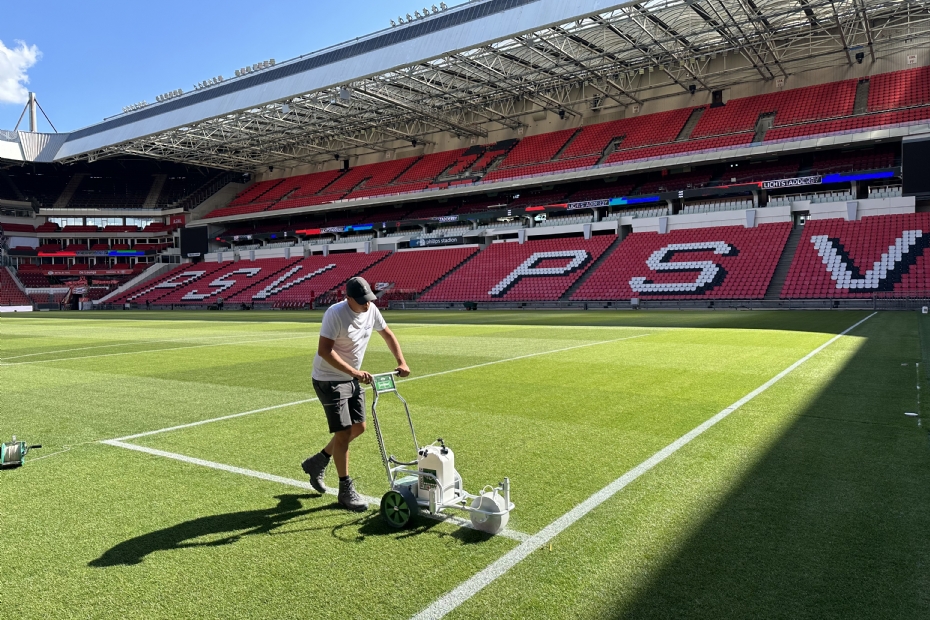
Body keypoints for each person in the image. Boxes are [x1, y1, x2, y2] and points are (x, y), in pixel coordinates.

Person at [302, 276, 410, 511]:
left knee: (358, 428)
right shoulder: (335, 313)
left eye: (369, 299)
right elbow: (324, 351)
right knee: (343, 435)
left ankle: (317, 461)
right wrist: (354, 371)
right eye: (361, 300)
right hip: (329, 380)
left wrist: (401, 362)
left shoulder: (371, 310)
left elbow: (388, 334)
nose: (367, 304)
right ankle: (345, 489)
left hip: (351, 378)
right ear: (348, 297)